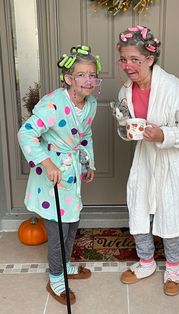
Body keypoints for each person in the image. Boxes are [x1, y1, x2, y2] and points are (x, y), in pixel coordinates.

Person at [115, 25, 179, 296]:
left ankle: (174, 268)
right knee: (139, 204)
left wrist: (164, 134)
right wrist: (125, 129)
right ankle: (146, 263)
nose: (127, 66)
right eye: (123, 59)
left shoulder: (175, 89)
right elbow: (124, 122)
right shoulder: (125, 91)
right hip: (146, 157)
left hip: (174, 159)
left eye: (134, 60)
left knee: (171, 210)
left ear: (150, 59)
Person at [17, 45, 102, 305]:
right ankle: (56, 278)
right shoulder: (53, 104)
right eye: (81, 75)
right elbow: (26, 133)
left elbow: (84, 135)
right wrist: (47, 163)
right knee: (57, 229)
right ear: (68, 79)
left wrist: (88, 163)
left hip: (72, 172)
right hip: (52, 174)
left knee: (72, 222)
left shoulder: (90, 105)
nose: (88, 80)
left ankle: (65, 266)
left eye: (93, 75)